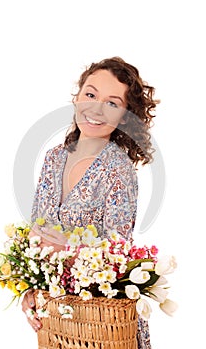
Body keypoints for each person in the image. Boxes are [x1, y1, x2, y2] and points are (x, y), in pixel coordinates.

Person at [21, 56, 159, 349]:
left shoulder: (118, 169)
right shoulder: (53, 158)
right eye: (91, 94)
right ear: (77, 98)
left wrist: (64, 249)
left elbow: (117, 256)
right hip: (58, 320)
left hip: (103, 321)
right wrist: (31, 289)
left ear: (124, 116)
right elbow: (36, 233)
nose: (95, 109)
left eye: (112, 103)